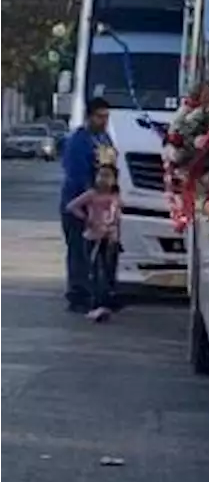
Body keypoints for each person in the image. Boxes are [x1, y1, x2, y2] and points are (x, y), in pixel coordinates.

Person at [61, 97, 114, 313]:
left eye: (106, 117)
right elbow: (76, 175)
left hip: (101, 205)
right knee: (79, 250)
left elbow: (110, 168)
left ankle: (100, 292)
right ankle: (78, 295)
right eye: (100, 116)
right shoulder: (78, 140)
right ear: (89, 116)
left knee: (101, 252)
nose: (104, 121)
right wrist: (87, 206)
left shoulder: (104, 139)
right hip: (79, 204)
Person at [65, 163, 122, 322]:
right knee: (95, 271)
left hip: (109, 238)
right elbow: (71, 206)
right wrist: (86, 219)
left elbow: (116, 215)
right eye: (101, 175)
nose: (104, 179)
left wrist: (113, 229)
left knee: (109, 271)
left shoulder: (115, 197)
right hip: (93, 237)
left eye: (108, 176)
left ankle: (107, 302)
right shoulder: (91, 194)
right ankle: (95, 303)